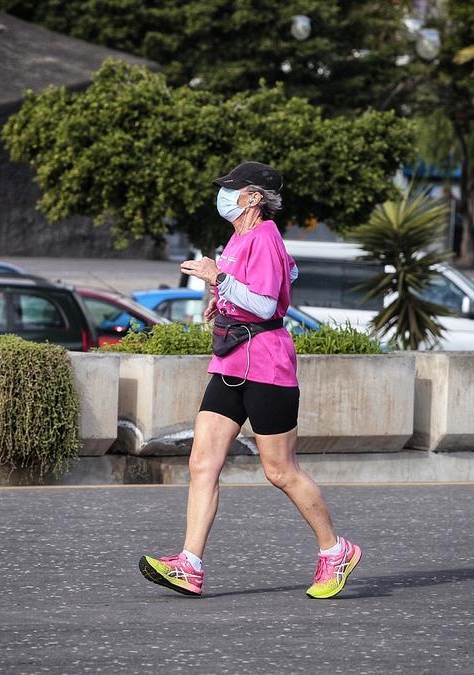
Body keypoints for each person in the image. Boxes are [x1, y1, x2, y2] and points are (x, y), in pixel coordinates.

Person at [139, 161, 361, 599]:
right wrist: (221, 300)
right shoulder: (239, 238)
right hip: (230, 360)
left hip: (268, 365)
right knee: (203, 462)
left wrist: (218, 278)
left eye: (232, 188)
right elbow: (284, 277)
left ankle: (335, 550)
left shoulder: (266, 236)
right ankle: (190, 564)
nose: (224, 194)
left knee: (280, 471)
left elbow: (265, 305)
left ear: (254, 197)